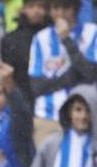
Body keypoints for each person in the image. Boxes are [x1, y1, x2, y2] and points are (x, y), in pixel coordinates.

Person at [28, 0, 97, 148]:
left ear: (75, 8)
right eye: (55, 8)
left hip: (86, 117)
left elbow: (91, 74)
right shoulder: (41, 38)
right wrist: (71, 76)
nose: (60, 14)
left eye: (65, 8)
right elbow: (37, 86)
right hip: (48, 118)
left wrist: (67, 40)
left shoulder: (92, 33)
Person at [1, 0, 49, 106]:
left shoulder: (54, 36)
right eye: (31, 6)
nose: (36, 11)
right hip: (22, 94)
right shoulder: (10, 40)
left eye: (41, 6)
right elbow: (9, 72)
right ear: (23, 9)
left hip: (49, 93)